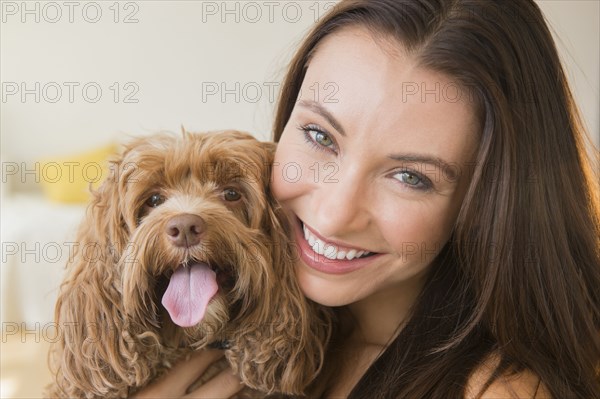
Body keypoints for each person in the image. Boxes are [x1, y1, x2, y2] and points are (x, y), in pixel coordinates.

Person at [135, 0, 600, 397]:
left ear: (486, 203)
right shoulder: (240, 324)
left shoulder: (492, 390)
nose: (334, 215)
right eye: (319, 135)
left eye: (409, 177)